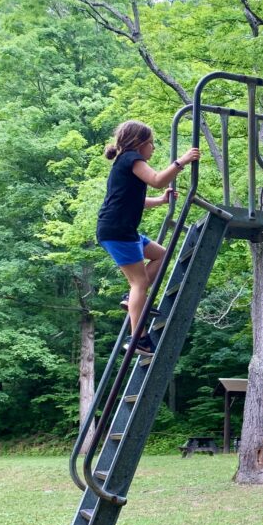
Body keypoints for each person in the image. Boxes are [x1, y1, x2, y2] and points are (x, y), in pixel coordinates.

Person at [96, 120, 199, 356]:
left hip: (122, 229)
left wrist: (161, 201)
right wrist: (181, 161)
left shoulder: (124, 164)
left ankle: (132, 297)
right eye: (151, 143)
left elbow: (136, 201)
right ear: (139, 143)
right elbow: (157, 180)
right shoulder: (132, 159)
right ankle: (139, 340)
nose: (153, 148)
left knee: (161, 255)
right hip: (118, 231)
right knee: (140, 283)